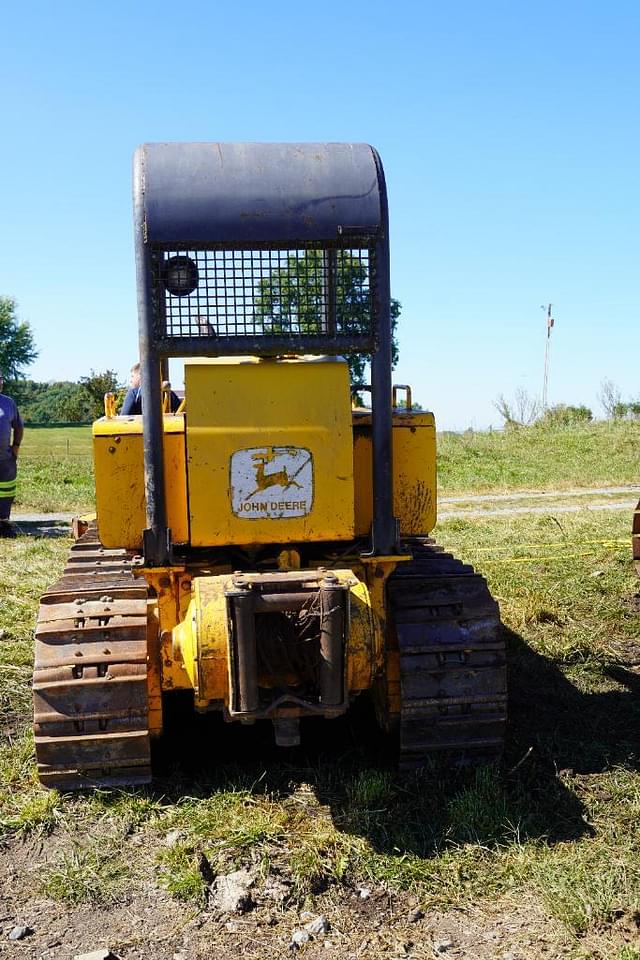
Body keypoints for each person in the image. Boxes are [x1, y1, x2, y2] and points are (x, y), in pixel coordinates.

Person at [0, 372, 24, 538]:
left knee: (6, 492)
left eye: (0, 380)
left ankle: (4, 523)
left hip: (5, 458)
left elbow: (19, 426)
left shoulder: (8, 403)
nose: (0, 383)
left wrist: (15, 446)